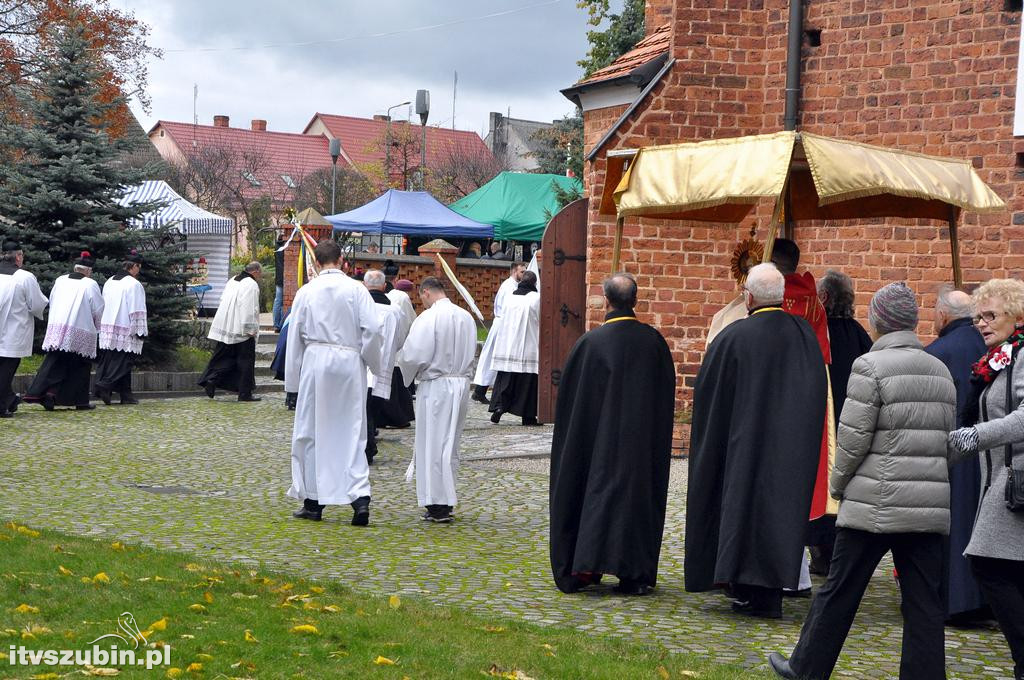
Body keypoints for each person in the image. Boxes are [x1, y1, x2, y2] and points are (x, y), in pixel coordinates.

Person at [769, 282, 956, 680]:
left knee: (839, 593)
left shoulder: (869, 366)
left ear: (877, 322)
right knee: (924, 604)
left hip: (874, 502)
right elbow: (948, 441)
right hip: (926, 505)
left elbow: (851, 441)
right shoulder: (940, 369)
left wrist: (837, 488)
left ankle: (806, 668)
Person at [686, 263, 826, 619]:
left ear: (748, 297)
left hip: (744, 447)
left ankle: (746, 587)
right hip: (791, 447)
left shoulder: (733, 337)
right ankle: (771, 590)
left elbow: (709, 395)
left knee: (743, 514)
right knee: (778, 516)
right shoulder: (803, 335)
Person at [549, 273, 675, 595]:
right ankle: (633, 574)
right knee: (635, 502)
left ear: (606, 300)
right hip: (640, 445)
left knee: (596, 498)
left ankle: (588, 564)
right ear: (635, 300)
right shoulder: (654, 343)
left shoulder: (589, 345)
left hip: (597, 444)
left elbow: (573, 409)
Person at [947, 279, 1024, 680]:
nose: (981, 323)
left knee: (988, 564)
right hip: (1000, 482)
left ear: (1018, 316)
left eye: (991, 315)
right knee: (1004, 570)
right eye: (977, 317)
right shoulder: (1001, 358)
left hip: (1015, 484)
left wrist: (975, 435)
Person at [285, 240, 383, 526]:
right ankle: (359, 499)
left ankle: (313, 501)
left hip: (316, 362)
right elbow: (373, 330)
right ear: (342, 260)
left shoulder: (306, 292)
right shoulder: (357, 290)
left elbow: (295, 336)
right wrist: (371, 363)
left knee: (311, 430)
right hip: (349, 362)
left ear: (316, 262)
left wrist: (293, 382)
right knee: (352, 430)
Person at [772, 238, 834, 594]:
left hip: (776, 399)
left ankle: (783, 573)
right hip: (809, 398)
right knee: (800, 485)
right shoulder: (815, 302)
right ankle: (799, 576)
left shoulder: (775, 298)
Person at [925, 284, 989, 623]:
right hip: (988, 450)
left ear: (943, 315)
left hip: (950, 451)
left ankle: (956, 601)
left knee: (954, 524)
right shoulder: (992, 346)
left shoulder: (937, 352)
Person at [397, 277, 476, 523]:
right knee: (450, 444)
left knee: (432, 444)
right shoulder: (466, 317)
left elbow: (413, 355)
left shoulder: (428, 318)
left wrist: (407, 371)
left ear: (427, 292)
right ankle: (446, 500)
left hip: (437, 386)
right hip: (460, 384)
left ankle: (437, 504)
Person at [810, 270, 873, 575]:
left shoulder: (818, 336)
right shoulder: (861, 335)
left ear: (823, 298)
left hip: (825, 428)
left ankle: (821, 550)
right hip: (855, 427)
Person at [22, 252, 103, 411]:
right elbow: (98, 308)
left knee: (59, 362)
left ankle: (51, 395)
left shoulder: (60, 280)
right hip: (81, 328)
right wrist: (97, 326)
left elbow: (52, 300)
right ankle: (80, 401)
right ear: (88, 271)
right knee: (80, 366)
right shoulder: (90, 284)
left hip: (58, 327)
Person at [198, 262, 262, 402]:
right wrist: (250, 329)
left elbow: (223, 299)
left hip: (226, 326)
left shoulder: (233, 279)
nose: (260, 277)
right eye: (260, 274)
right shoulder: (251, 284)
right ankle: (245, 394)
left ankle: (212, 380)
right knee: (246, 361)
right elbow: (249, 307)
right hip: (241, 329)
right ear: (256, 272)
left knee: (225, 357)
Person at [363, 269, 406, 465]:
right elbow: (400, 340)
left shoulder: (360, 306)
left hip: (361, 365)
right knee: (373, 408)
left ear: (365, 285)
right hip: (384, 365)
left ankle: (367, 445)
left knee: (361, 409)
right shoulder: (395, 311)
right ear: (383, 286)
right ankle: (369, 443)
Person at [0, 240, 48, 417]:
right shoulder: (25, 277)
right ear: (18, 257)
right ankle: (1, 405)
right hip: (14, 330)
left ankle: (10, 400)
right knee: (7, 370)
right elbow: (36, 304)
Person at [94, 252, 147, 406]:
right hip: (126, 327)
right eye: (139, 267)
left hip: (108, 326)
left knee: (111, 358)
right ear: (134, 266)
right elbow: (137, 308)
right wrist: (140, 329)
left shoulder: (110, 280)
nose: (139, 271)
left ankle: (126, 394)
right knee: (124, 361)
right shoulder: (134, 284)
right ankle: (105, 385)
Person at [488, 270, 541, 425]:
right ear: (534, 283)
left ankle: (499, 407)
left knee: (506, 378)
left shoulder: (510, 297)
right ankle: (528, 416)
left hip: (508, 345)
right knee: (527, 381)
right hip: (527, 345)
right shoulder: (536, 298)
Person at [472, 261, 526, 404]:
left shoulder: (514, 286)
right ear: (514, 271)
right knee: (493, 358)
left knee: (496, 359)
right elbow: (510, 308)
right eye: (522, 272)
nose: (523, 274)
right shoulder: (509, 287)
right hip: (503, 324)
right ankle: (480, 391)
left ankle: (481, 391)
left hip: (504, 324)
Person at [375, 278, 417, 428]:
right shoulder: (402, 298)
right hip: (393, 346)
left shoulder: (388, 297)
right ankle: (398, 416)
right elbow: (409, 321)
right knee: (393, 384)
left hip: (377, 347)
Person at [273, 236, 286, 331]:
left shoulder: (277, 246)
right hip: (284, 277)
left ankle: (276, 324)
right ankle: (280, 324)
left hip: (278, 277)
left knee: (278, 301)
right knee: (281, 302)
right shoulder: (286, 246)